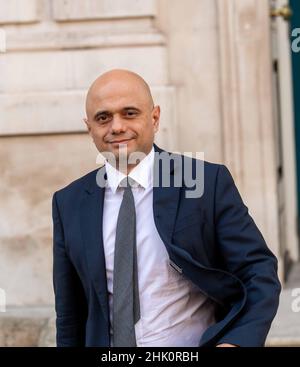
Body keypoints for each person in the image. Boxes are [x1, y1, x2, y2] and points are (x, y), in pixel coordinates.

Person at [52, 69, 281, 347]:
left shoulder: (206, 183)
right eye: (103, 118)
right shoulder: (69, 203)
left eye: (130, 113)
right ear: (90, 128)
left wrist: (236, 342)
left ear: (155, 118)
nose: (117, 127)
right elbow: (70, 313)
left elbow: (257, 271)